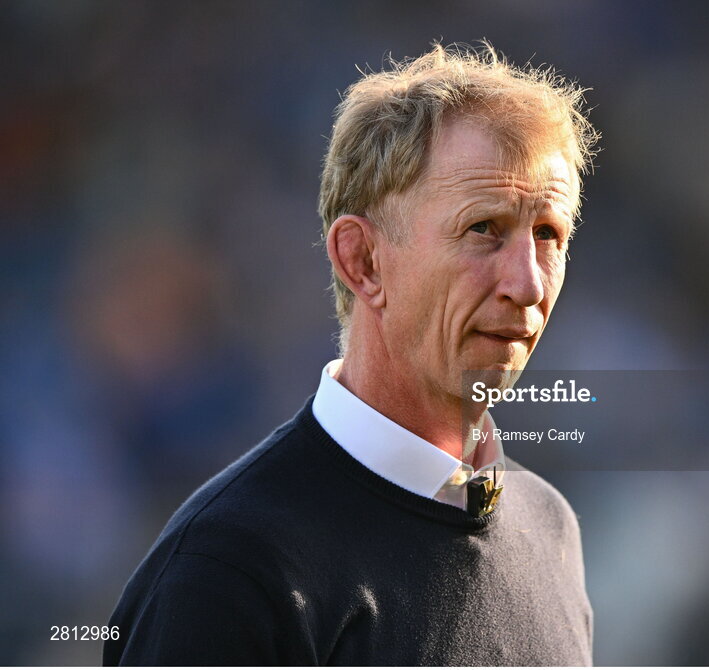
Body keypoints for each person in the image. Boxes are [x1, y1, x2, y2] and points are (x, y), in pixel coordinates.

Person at [103, 42, 599, 665]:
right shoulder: (227, 572)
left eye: (548, 235)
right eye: (484, 229)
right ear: (363, 262)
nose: (526, 283)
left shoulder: (551, 530)